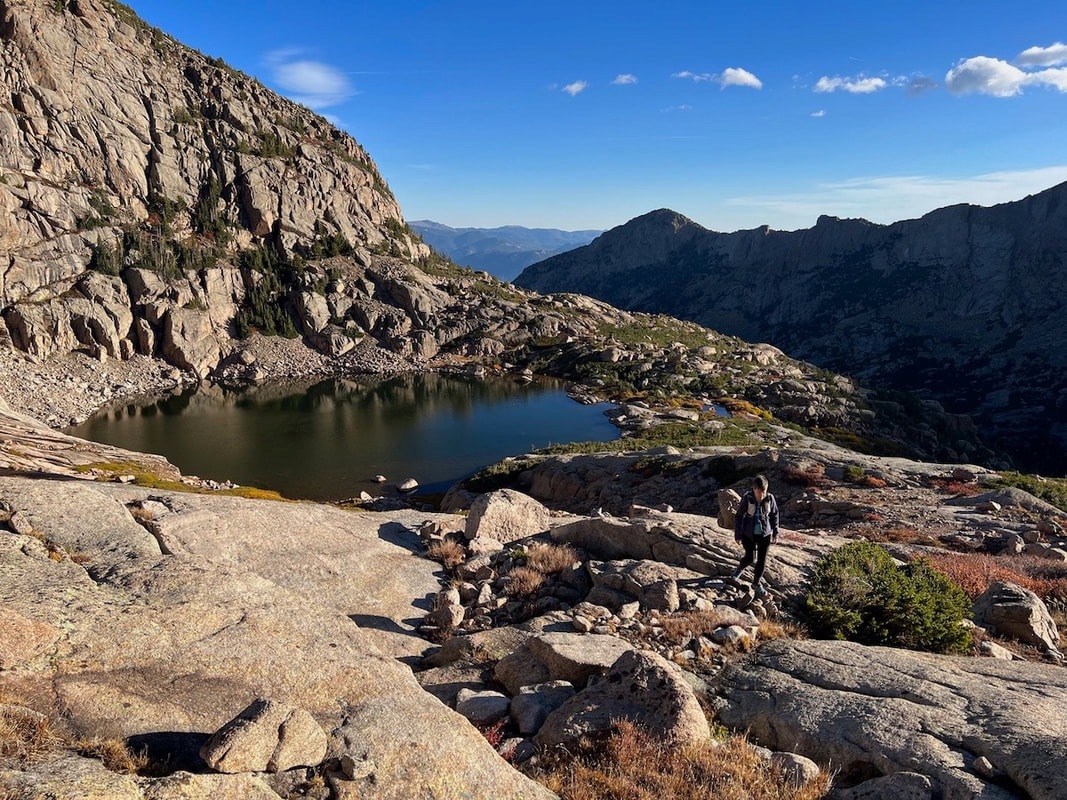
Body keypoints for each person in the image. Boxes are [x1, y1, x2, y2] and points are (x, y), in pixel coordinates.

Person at [729, 474, 780, 599]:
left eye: (764, 491)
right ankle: (739, 570)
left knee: (762, 560)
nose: (762, 495)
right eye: (759, 491)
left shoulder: (770, 498)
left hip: (765, 534)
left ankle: (756, 583)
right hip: (748, 534)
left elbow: (774, 514)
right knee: (750, 558)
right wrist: (738, 535)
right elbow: (739, 516)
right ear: (754, 488)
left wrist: (775, 532)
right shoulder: (748, 498)